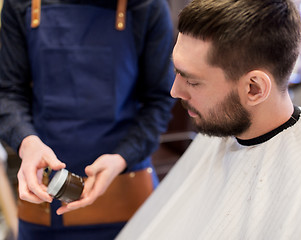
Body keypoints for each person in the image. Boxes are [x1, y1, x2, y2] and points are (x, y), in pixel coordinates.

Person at [116, 0, 301, 239]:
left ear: (254, 88)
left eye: (192, 81)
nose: (175, 91)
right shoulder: (218, 135)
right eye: (177, 71)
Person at [0, 0, 175, 239]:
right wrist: (27, 142)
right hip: (46, 199)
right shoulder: (21, 4)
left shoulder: (147, 6)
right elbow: (8, 93)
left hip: (125, 191)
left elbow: (159, 101)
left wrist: (122, 157)